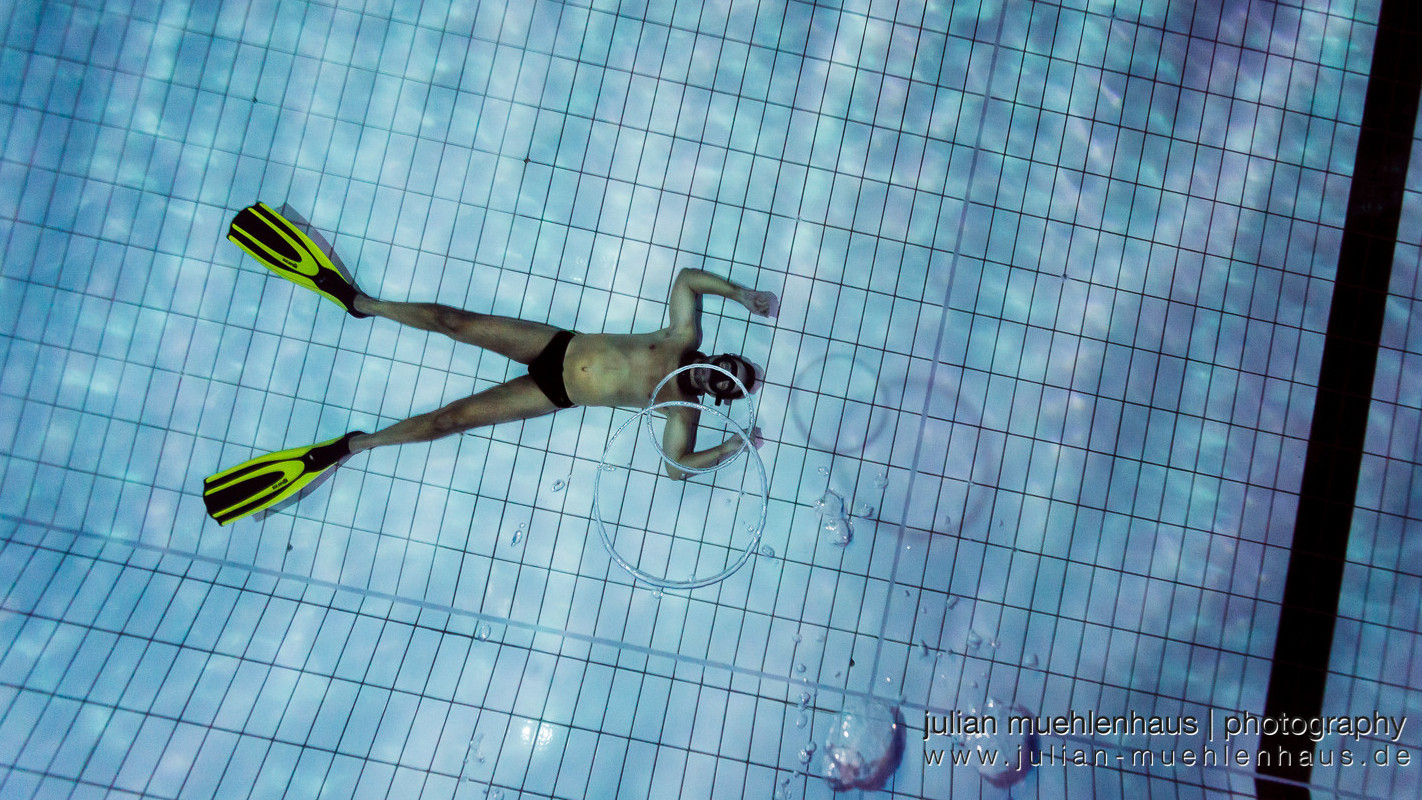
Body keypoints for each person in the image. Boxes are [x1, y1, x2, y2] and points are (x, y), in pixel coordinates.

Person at [203, 202, 777, 525]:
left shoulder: (684, 410)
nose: (716, 373)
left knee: (449, 421)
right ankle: (361, 303)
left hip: (556, 396)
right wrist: (744, 294)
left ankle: (353, 446)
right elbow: (687, 280)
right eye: (726, 363)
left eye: (725, 383)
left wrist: (730, 448)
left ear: (720, 395)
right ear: (719, 355)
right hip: (556, 346)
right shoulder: (683, 337)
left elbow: (676, 468)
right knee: (452, 320)